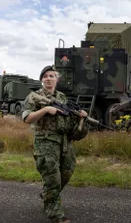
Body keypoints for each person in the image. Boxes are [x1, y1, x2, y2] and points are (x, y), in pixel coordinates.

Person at [22, 65, 88, 223]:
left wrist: (81, 117)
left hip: (64, 142)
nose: (48, 78)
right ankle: (55, 214)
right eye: (45, 76)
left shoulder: (63, 98)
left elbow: (70, 123)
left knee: (67, 171)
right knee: (52, 178)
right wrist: (45, 110)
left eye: (52, 76)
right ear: (42, 80)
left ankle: (47, 194)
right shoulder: (34, 96)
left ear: (57, 79)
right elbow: (26, 118)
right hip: (45, 141)